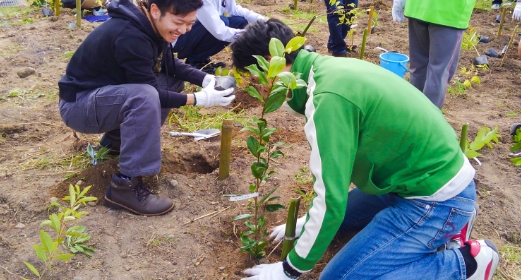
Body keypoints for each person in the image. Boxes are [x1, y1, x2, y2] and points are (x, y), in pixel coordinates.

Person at [231, 19, 499, 280]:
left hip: (436, 198)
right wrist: (306, 222)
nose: (260, 88)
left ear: (272, 60)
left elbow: (331, 199)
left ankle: (465, 263)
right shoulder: (326, 70)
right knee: (340, 224)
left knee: (339, 277)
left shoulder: (327, 99)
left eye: (257, 77)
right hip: (406, 179)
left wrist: (289, 269)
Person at [58, 0, 235, 216]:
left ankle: (117, 141)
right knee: (145, 96)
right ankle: (126, 185)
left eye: (190, 24)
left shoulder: (150, 27)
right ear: (155, 10)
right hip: (79, 106)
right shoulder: (131, 35)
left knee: (169, 81)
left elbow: (170, 64)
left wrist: (204, 78)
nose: (184, 30)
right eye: (179, 22)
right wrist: (198, 99)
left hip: (102, 98)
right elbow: (152, 94)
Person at [391, 0, 476, 108]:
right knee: (438, 72)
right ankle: (427, 120)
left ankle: (412, 114)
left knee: (418, 67)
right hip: (450, 12)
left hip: (418, 7)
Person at [171, 0, 268, 74]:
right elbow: (219, 31)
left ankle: (200, 59)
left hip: (193, 33)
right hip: (176, 41)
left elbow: (234, 9)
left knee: (239, 22)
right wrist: (253, 34)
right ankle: (195, 62)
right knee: (223, 21)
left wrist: (265, 21)